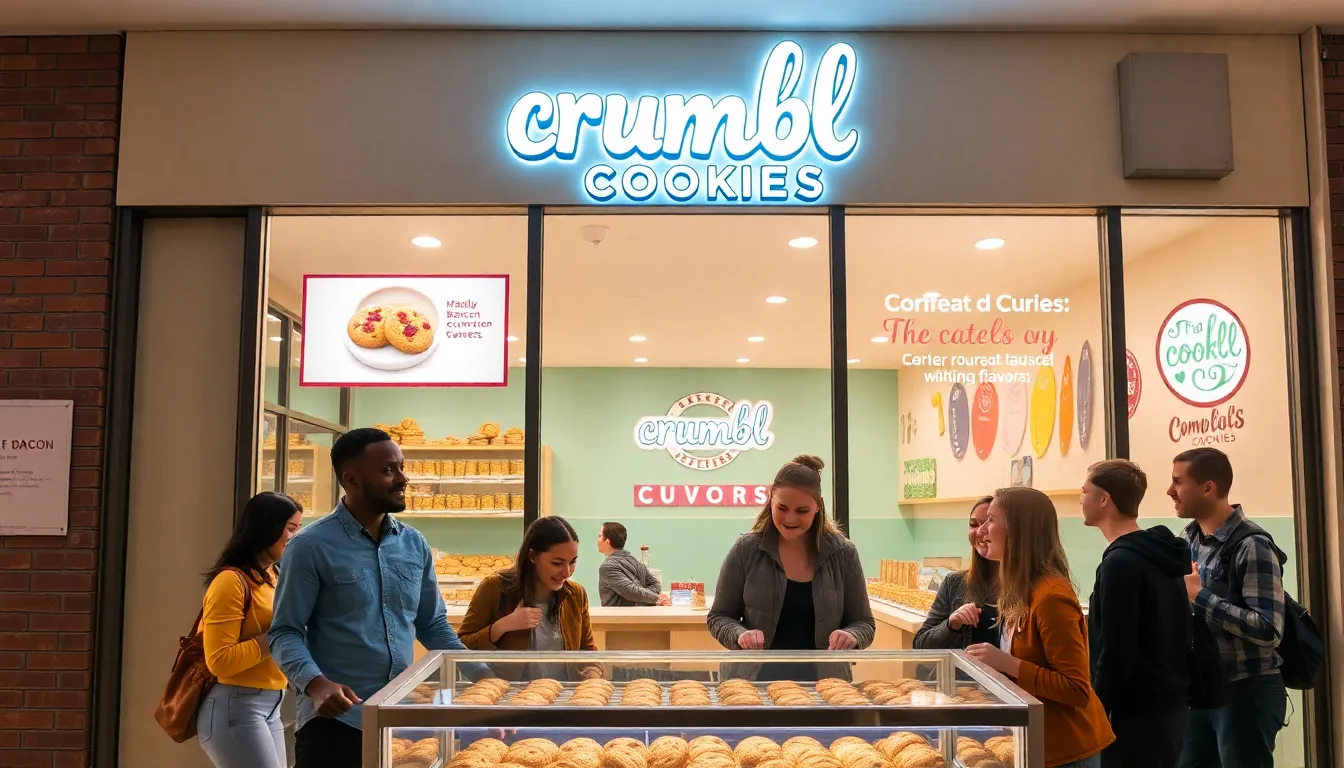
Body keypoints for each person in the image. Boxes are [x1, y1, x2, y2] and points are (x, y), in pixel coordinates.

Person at [270, 428, 473, 768]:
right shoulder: (309, 547)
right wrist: (317, 685)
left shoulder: (414, 544)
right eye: (388, 470)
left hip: (400, 721)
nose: (403, 478)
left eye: (401, 467)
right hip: (334, 725)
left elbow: (432, 623)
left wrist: (481, 673)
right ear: (351, 479)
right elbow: (284, 632)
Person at [966, 487, 1114, 768]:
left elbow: (1075, 688)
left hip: (1068, 750)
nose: (982, 530)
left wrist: (1007, 664)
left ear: (1019, 530)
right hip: (1036, 742)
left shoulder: (1051, 596)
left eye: (992, 520)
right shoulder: (1019, 588)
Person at [707, 455, 875, 681]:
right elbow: (719, 617)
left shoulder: (843, 554)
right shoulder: (746, 550)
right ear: (770, 501)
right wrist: (740, 635)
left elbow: (864, 623)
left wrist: (851, 635)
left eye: (802, 510)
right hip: (752, 684)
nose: (790, 518)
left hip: (826, 687)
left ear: (818, 507)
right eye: (782, 507)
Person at [1171, 447, 1287, 768]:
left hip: (1245, 691)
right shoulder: (1188, 539)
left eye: (1178, 482)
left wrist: (1200, 597)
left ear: (1208, 488)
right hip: (1200, 690)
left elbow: (1268, 629)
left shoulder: (1253, 545)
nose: (1170, 491)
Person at [1081, 460, 1191, 768]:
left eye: (1085, 491)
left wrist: (1097, 709)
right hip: (1167, 706)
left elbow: (1117, 650)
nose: (1081, 499)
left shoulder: (1122, 564)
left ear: (1104, 499)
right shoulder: (1157, 553)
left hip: (1136, 716)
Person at [196, 492, 303, 768]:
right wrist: (276, 636)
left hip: (271, 705)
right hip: (236, 708)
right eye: (290, 529)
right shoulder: (229, 582)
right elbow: (219, 661)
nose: (295, 537)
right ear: (266, 528)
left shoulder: (274, 576)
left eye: (298, 529)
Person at [457, 515, 601, 681]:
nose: (567, 572)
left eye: (572, 562)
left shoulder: (575, 594)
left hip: (562, 698)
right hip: (509, 698)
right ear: (532, 557)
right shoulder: (495, 587)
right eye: (557, 563)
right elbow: (461, 646)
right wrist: (502, 626)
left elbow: (587, 649)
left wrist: (593, 671)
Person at [914, 495, 1000, 651]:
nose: (980, 531)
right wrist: (951, 624)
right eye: (973, 524)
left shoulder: (1031, 588)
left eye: (990, 522)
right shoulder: (955, 583)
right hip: (961, 676)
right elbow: (921, 644)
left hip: (1002, 677)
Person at [596, 521, 669, 607]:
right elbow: (653, 586)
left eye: (600, 536)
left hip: (617, 618)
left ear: (608, 542)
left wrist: (656, 598)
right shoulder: (636, 561)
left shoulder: (607, 567)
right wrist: (653, 597)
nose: (597, 539)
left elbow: (632, 591)